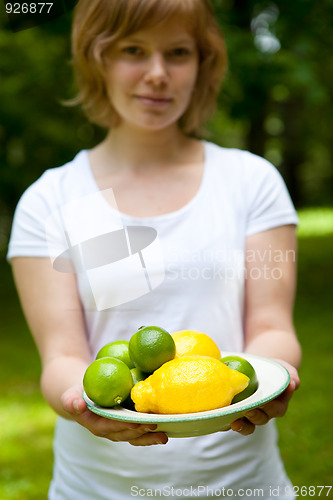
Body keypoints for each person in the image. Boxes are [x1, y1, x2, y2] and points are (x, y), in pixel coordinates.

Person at [7, 0, 301, 498]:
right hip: (96, 488)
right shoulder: (50, 200)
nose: (158, 74)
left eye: (179, 52)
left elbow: (272, 327)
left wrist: (266, 384)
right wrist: (80, 401)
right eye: (133, 50)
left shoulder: (252, 182)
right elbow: (61, 355)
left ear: (203, 63)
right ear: (96, 58)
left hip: (245, 484)